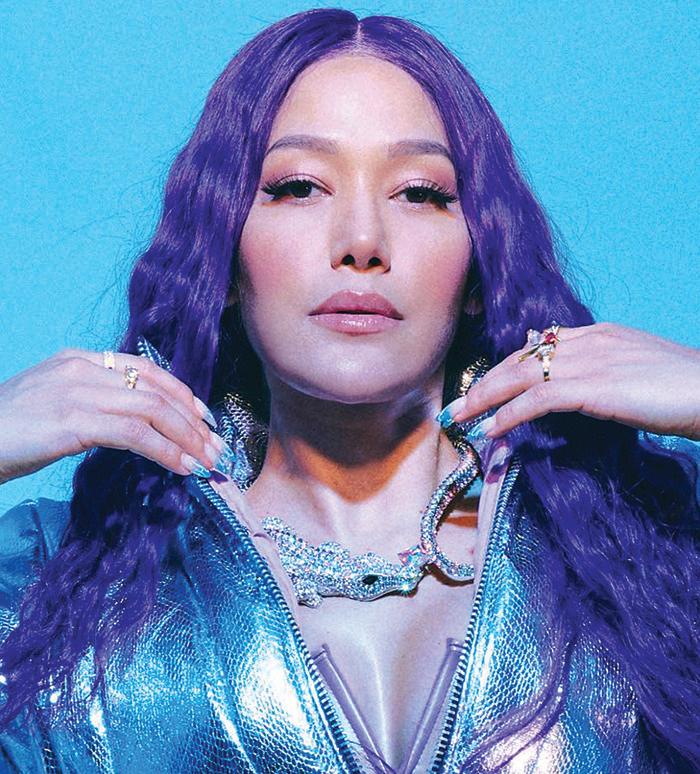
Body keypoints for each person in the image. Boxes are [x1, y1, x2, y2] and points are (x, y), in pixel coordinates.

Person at [0, 8, 698, 773]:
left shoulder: (655, 549)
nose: (362, 241)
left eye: (420, 193)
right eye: (299, 187)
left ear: (480, 267)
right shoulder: (55, 582)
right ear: (222, 257)